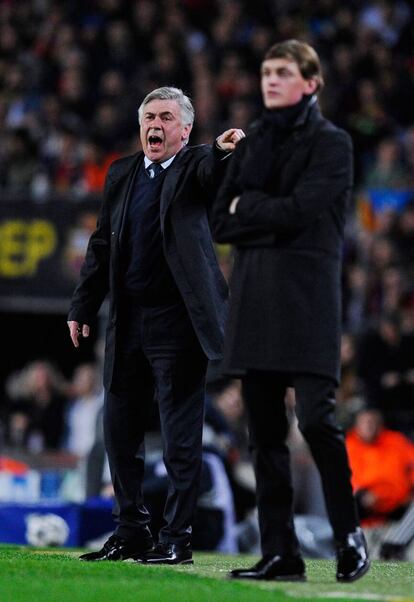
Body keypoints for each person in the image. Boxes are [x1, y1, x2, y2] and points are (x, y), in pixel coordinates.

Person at [212, 40, 370, 582]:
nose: (271, 81)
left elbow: (302, 211)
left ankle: (349, 536)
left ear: (312, 82)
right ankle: (281, 553)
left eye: (283, 72)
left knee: (318, 421)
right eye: (265, 72)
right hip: (255, 301)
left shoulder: (334, 144)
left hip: (307, 304)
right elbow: (218, 221)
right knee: (263, 434)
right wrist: (259, 214)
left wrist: (248, 208)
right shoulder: (252, 139)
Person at [68, 86, 244, 564]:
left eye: (167, 117)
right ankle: (131, 531)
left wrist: (224, 151)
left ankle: (177, 539)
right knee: (118, 431)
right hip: (127, 320)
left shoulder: (191, 166)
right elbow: (101, 243)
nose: (156, 125)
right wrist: (82, 307)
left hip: (178, 323)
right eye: (149, 116)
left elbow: (213, 167)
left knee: (180, 438)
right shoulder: (122, 172)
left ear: (184, 131)